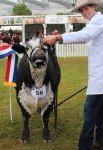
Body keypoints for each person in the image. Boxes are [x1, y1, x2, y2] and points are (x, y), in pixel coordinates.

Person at [43, 0, 103, 150]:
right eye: (81, 10)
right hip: (98, 77)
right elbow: (86, 37)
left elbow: (85, 35)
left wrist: (58, 38)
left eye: (86, 8)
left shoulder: (99, 20)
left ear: (94, 6)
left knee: (89, 112)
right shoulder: (95, 23)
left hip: (99, 78)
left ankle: (84, 146)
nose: (83, 12)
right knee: (100, 112)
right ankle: (100, 140)